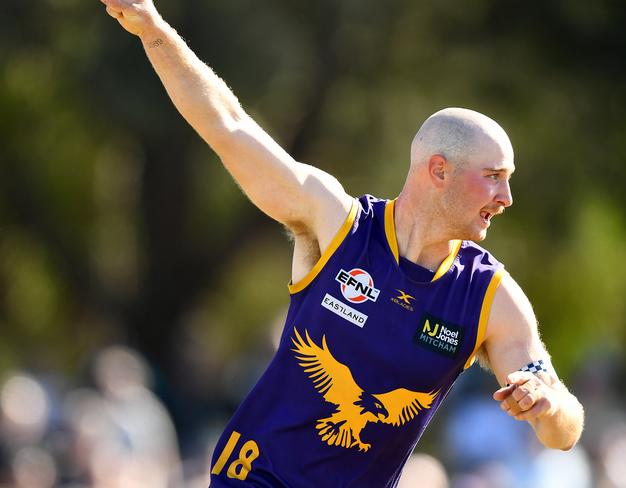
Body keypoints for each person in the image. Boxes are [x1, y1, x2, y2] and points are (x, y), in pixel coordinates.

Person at [99, 1, 585, 486]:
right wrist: (152, 29)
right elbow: (228, 126)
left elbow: (563, 430)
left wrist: (548, 403)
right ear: (439, 171)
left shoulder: (488, 296)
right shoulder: (337, 223)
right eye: (493, 178)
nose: (506, 197)